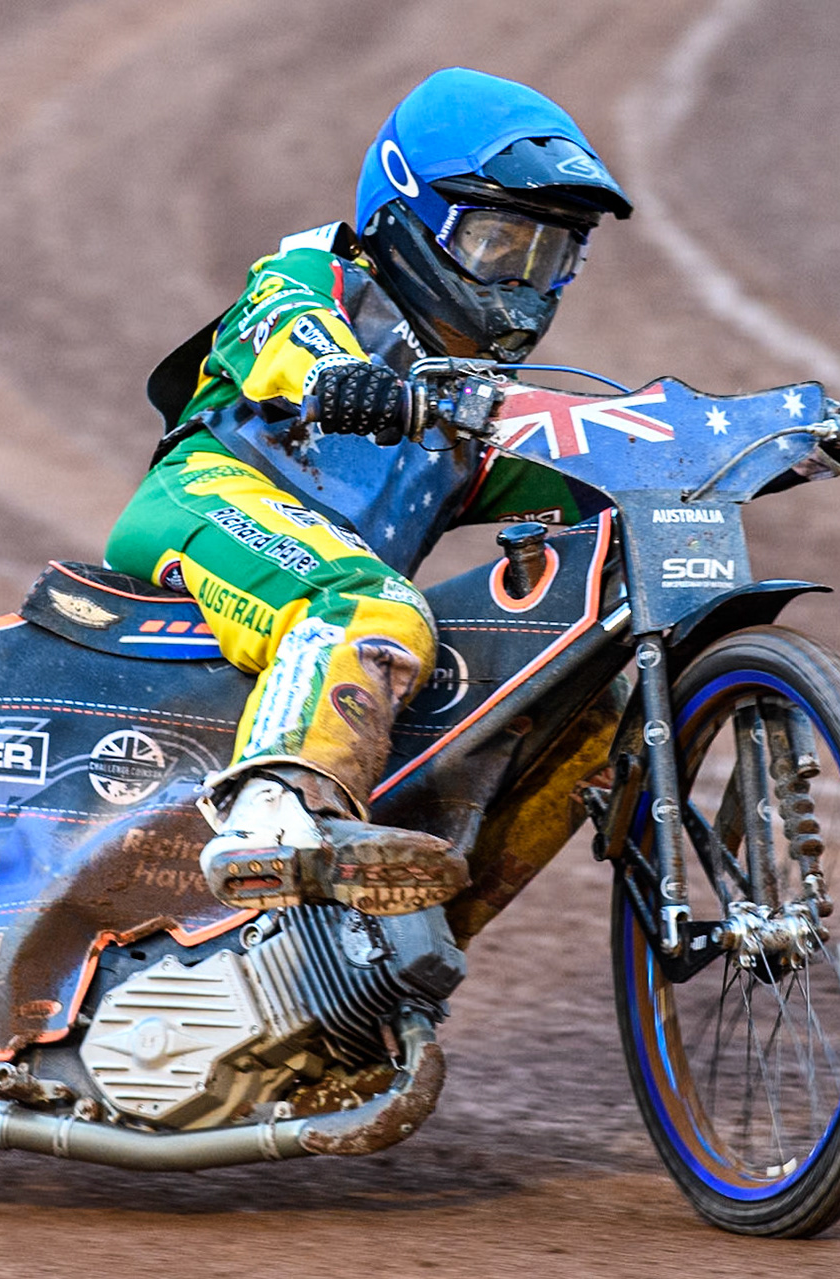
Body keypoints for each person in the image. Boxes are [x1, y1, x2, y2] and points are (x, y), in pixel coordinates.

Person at [105, 67, 636, 917]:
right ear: (410, 216)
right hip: (207, 503)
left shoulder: (467, 406)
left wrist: (801, 438)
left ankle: (391, 963)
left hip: (324, 578)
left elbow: (605, 460)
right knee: (376, 608)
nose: (521, 285)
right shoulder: (312, 278)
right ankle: (273, 815)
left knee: (585, 688)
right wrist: (342, 374)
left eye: (551, 256)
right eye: (500, 245)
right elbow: (286, 331)